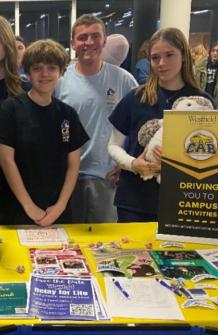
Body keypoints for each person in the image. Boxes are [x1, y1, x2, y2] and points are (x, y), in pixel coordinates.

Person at [108, 28, 214, 222]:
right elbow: (113, 145)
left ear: (183, 56)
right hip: (135, 200)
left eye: (169, 55)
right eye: (155, 58)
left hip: (185, 201)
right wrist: (133, 164)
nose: (162, 63)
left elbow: (210, 154)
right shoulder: (135, 98)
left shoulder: (202, 103)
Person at [0, 39, 88, 226]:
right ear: (27, 72)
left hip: (58, 211)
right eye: (37, 68)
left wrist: (60, 205)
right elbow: (5, 160)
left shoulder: (68, 114)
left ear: (61, 71)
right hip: (17, 209)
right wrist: (29, 206)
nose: (45, 74)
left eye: (51, 68)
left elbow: (74, 164)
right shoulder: (11, 109)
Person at [54, 14, 137, 223]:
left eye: (95, 36)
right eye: (82, 37)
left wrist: (127, 161)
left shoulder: (123, 80)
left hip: (107, 177)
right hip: (67, 177)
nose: (88, 42)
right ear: (73, 43)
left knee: (104, 244)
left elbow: (140, 124)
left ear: (104, 40)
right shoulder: (60, 81)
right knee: (70, 241)